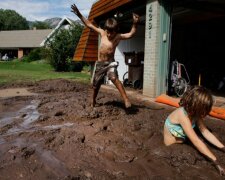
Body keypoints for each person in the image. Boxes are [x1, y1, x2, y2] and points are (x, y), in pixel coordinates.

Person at [71, 4, 140, 108]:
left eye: (111, 33)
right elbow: (89, 24)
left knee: (113, 77)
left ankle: (126, 99)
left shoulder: (118, 37)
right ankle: (93, 101)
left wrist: (135, 23)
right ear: (106, 30)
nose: (109, 35)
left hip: (110, 63)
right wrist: (79, 15)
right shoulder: (102, 33)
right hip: (100, 64)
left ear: (115, 31)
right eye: (108, 32)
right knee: (96, 84)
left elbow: (130, 34)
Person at [163, 86, 225, 175]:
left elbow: (205, 132)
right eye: (205, 109)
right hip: (172, 148)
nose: (206, 113)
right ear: (198, 106)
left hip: (183, 141)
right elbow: (196, 141)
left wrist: (223, 148)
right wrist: (217, 163)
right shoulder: (182, 115)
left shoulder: (196, 113)